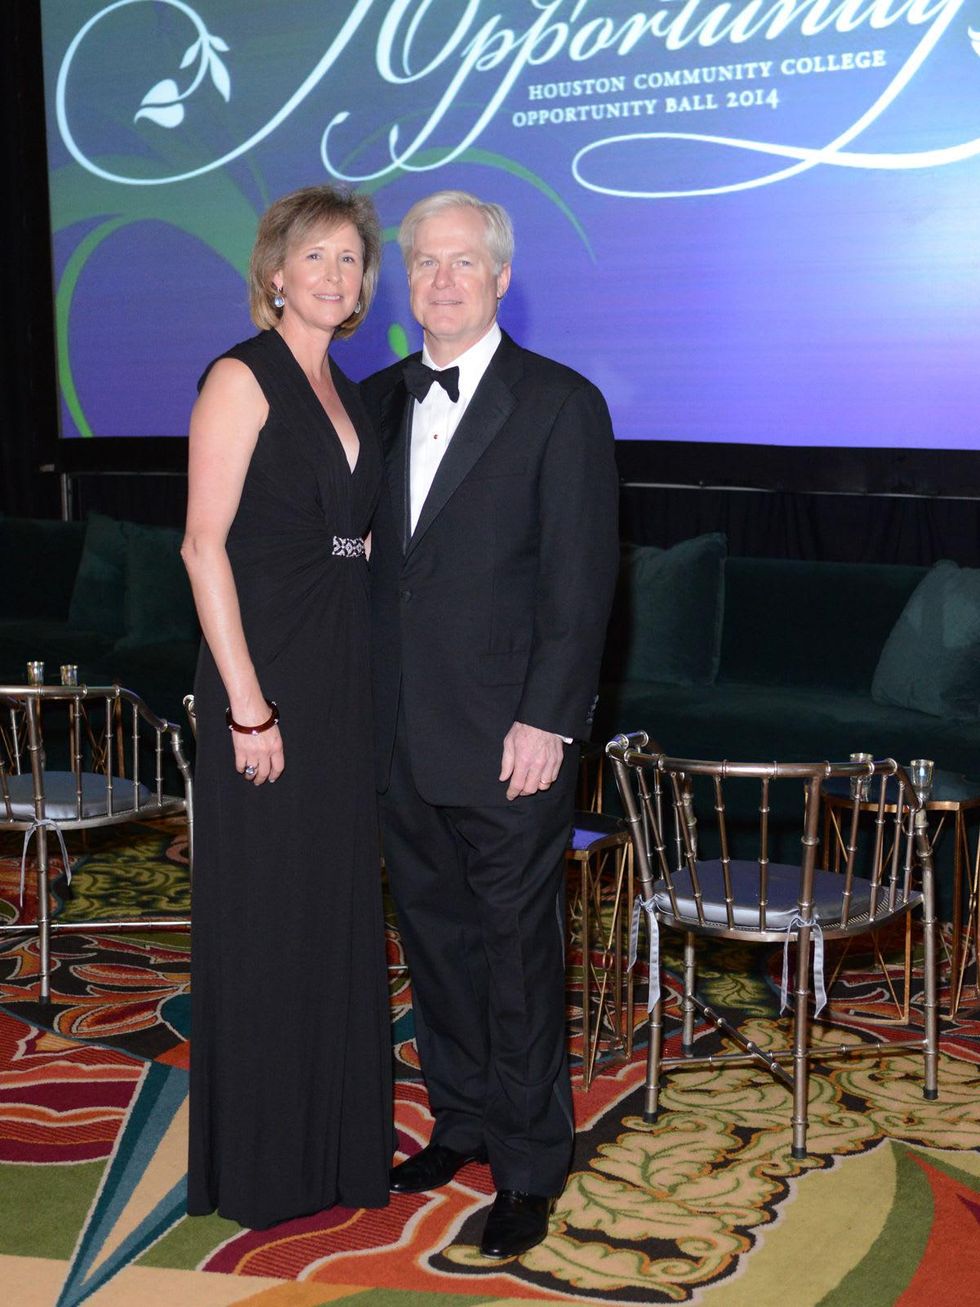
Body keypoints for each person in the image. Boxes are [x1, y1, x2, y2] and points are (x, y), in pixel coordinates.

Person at [362, 190, 619, 1258]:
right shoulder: (369, 400)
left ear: (501, 277)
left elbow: (581, 579)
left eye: (463, 262)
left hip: (511, 739)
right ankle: (460, 1117)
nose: (442, 278)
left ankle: (525, 1163)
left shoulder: (560, 402)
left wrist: (549, 722)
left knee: (516, 955)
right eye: (424, 262)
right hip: (394, 734)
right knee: (434, 940)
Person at [181, 184, 391, 1229]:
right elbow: (201, 543)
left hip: (342, 672)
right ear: (275, 271)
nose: (335, 275)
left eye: (351, 260)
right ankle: (264, 1163)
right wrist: (248, 707)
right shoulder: (241, 374)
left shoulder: (345, 389)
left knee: (333, 910)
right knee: (267, 915)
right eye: (316, 256)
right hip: (264, 677)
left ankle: (336, 1148)